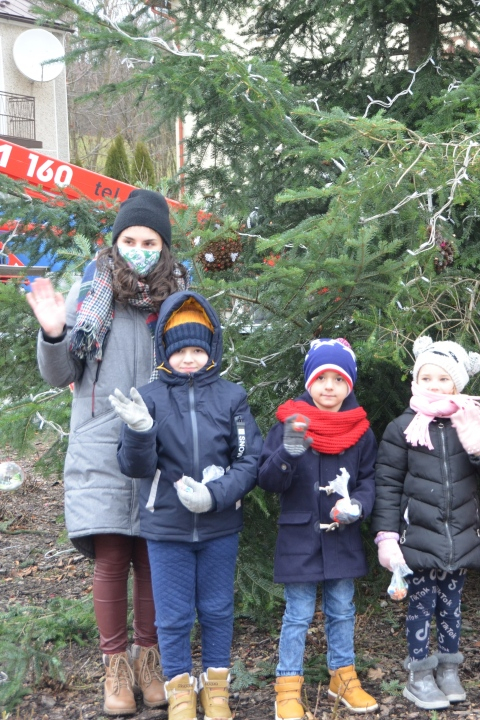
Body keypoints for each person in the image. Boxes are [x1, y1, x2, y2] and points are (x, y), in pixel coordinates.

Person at [27, 189, 188, 715]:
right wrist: (54, 332)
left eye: (149, 241)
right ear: (115, 242)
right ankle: (115, 666)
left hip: (163, 443)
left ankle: (149, 659)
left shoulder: (179, 297)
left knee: (152, 554)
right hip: (101, 441)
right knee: (113, 554)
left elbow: (198, 364)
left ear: (163, 246)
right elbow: (61, 374)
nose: (139, 249)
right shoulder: (92, 290)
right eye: (130, 239)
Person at [113, 290, 262, 720]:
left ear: (211, 349)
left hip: (219, 527)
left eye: (197, 349)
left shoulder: (231, 397)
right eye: (180, 351)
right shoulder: (149, 398)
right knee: (174, 616)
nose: (190, 358)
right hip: (167, 530)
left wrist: (216, 495)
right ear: (165, 351)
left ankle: (216, 690)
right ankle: (179, 690)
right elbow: (135, 466)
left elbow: (249, 459)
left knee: (217, 610)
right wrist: (140, 431)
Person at [371, 336, 480, 711]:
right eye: (427, 378)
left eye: (443, 379)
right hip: (417, 537)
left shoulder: (472, 420)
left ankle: (449, 669)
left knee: (451, 606)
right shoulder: (403, 427)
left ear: (457, 383)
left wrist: (478, 446)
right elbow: (387, 484)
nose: (434, 385)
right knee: (421, 606)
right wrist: (387, 537)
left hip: (460, 534)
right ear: (416, 381)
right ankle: (419, 674)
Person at [258, 338, 379, 720]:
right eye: (321, 378)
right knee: (297, 614)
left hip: (342, 538)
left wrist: (358, 505)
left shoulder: (361, 431)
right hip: (299, 538)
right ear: (309, 381)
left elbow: (369, 479)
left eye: (338, 379)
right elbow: (268, 480)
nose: (329, 386)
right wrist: (287, 453)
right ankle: (287, 688)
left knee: (342, 609)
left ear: (349, 384)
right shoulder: (289, 424)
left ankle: (342, 677)